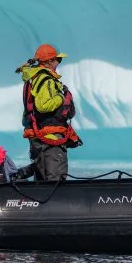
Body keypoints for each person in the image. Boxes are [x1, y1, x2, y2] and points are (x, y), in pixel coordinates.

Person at [17, 43, 82, 181]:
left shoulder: (34, 78)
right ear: (48, 62)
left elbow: (29, 113)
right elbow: (43, 106)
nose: (59, 62)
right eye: (58, 59)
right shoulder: (45, 80)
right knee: (55, 180)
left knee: (42, 179)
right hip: (49, 138)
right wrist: (61, 97)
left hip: (39, 137)